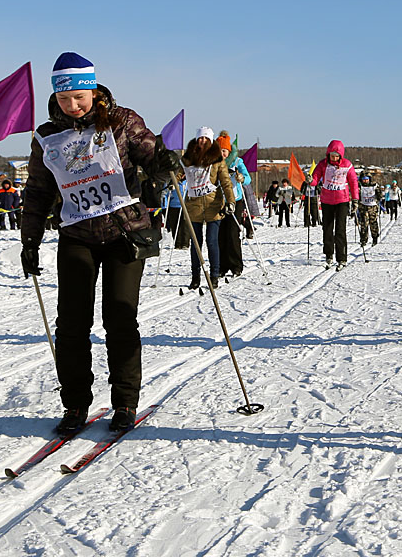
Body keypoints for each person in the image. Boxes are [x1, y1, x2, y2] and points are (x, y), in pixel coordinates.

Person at [20, 52, 181, 434]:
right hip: (77, 235)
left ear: (92, 90)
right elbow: (38, 190)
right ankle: (75, 405)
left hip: (125, 233)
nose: (73, 106)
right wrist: (30, 240)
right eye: (64, 99)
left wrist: (165, 161)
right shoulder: (46, 137)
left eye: (80, 96)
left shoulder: (121, 121)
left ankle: (125, 402)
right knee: (72, 325)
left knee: (119, 318)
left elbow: (150, 152)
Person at [181, 126, 236, 288]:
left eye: (206, 138)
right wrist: (173, 180)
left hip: (213, 205)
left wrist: (231, 201)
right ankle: (195, 276)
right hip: (194, 205)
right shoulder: (189, 158)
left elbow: (226, 182)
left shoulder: (217, 160)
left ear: (211, 141)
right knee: (196, 243)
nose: (203, 140)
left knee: (212, 241)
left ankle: (214, 275)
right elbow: (179, 173)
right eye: (200, 138)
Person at [310, 140, 359, 270]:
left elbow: (353, 182)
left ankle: (342, 258)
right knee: (327, 229)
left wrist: (355, 199)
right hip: (326, 201)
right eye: (332, 155)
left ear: (341, 155)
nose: (334, 158)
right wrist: (311, 181)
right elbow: (315, 178)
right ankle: (329, 255)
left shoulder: (347, 165)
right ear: (328, 154)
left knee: (340, 230)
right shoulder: (323, 164)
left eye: (337, 156)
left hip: (342, 200)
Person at [216, 131, 248, 276]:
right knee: (220, 235)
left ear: (229, 151)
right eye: (220, 150)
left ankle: (236, 265)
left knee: (233, 233)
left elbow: (248, 179)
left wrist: (241, 177)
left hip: (236, 200)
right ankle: (222, 266)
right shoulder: (214, 164)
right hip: (219, 201)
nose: (222, 154)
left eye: (225, 151)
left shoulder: (237, 162)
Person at [356, 172, 381, 246]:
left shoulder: (374, 185)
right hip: (363, 206)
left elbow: (379, 195)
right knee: (364, 223)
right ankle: (363, 239)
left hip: (372, 206)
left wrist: (379, 194)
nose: (365, 181)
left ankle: (375, 237)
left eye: (367, 179)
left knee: (373, 223)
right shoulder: (359, 186)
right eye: (364, 179)